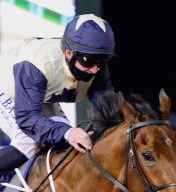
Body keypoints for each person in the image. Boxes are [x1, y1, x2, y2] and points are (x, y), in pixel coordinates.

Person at [0, 13, 115, 174]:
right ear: (68, 53)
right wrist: (68, 133)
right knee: (30, 143)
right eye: (88, 61)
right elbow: (27, 118)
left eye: (102, 61)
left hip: (38, 94)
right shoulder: (39, 62)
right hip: (6, 88)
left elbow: (108, 113)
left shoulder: (96, 65)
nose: (95, 69)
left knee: (64, 141)